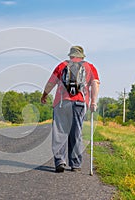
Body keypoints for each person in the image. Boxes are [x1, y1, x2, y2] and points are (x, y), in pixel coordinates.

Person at [41, 45, 100, 173]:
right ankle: (76, 164)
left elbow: (51, 83)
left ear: (71, 56)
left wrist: (44, 95)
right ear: (82, 56)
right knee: (76, 132)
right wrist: (93, 102)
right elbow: (95, 83)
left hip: (62, 103)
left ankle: (60, 161)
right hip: (79, 103)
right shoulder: (89, 67)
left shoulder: (62, 66)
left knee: (60, 132)